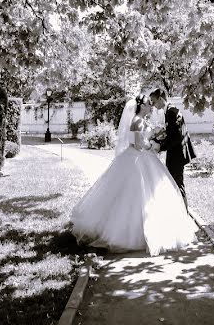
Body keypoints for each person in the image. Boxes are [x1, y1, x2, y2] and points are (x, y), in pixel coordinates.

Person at [70, 95, 198, 255]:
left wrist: (154, 137)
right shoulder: (137, 120)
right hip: (137, 158)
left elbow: (142, 138)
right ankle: (129, 233)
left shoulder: (141, 120)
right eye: (148, 104)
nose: (151, 106)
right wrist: (152, 144)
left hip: (143, 157)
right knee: (137, 195)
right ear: (141, 106)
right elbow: (137, 144)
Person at [149, 89, 195, 211]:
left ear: (160, 98)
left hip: (177, 155)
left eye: (153, 102)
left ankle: (184, 213)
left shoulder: (171, 112)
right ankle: (179, 211)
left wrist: (160, 146)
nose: (153, 105)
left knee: (178, 184)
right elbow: (172, 133)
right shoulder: (170, 110)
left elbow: (175, 137)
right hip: (177, 153)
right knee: (176, 183)